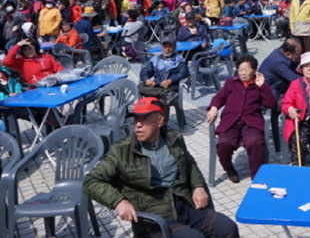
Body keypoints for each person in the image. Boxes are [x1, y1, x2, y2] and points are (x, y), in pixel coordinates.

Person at [83, 97, 239, 238]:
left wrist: (198, 186)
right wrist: (119, 202)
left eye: (144, 120)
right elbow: (91, 181)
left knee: (228, 228)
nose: (137, 125)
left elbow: (190, 164)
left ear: (160, 120)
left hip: (185, 205)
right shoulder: (122, 151)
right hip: (155, 218)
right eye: (136, 119)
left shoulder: (174, 139)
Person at [206, 55, 275, 183]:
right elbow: (219, 97)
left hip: (251, 122)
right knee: (224, 143)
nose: (243, 73)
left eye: (246, 69)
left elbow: (270, 104)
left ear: (254, 70)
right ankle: (229, 169)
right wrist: (214, 107)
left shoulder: (259, 84)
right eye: (240, 69)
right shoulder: (231, 82)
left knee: (254, 142)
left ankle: (256, 175)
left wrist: (262, 86)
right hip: (231, 122)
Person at [139, 36, 188, 111]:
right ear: (162, 47)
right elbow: (145, 71)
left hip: (171, 86)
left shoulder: (179, 59)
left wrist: (170, 80)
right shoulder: (156, 59)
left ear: (174, 47)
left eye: (170, 46)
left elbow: (184, 72)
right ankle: (166, 94)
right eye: (165, 46)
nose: (167, 49)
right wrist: (147, 79)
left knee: (163, 100)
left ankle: (163, 122)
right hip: (157, 85)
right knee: (140, 87)